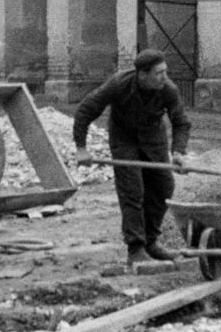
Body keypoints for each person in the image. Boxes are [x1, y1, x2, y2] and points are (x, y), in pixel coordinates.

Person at [73, 49, 191, 271]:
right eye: (159, 73)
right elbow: (86, 110)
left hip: (154, 138)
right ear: (142, 75)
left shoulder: (168, 89)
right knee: (132, 191)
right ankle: (135, 249)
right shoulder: (118, 84)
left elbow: (181, 122)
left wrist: (178, 152)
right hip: (124, 139)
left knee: (164, 186)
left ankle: (151, 241)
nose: (164, 77)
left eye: (165, 71)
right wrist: (81, 148)